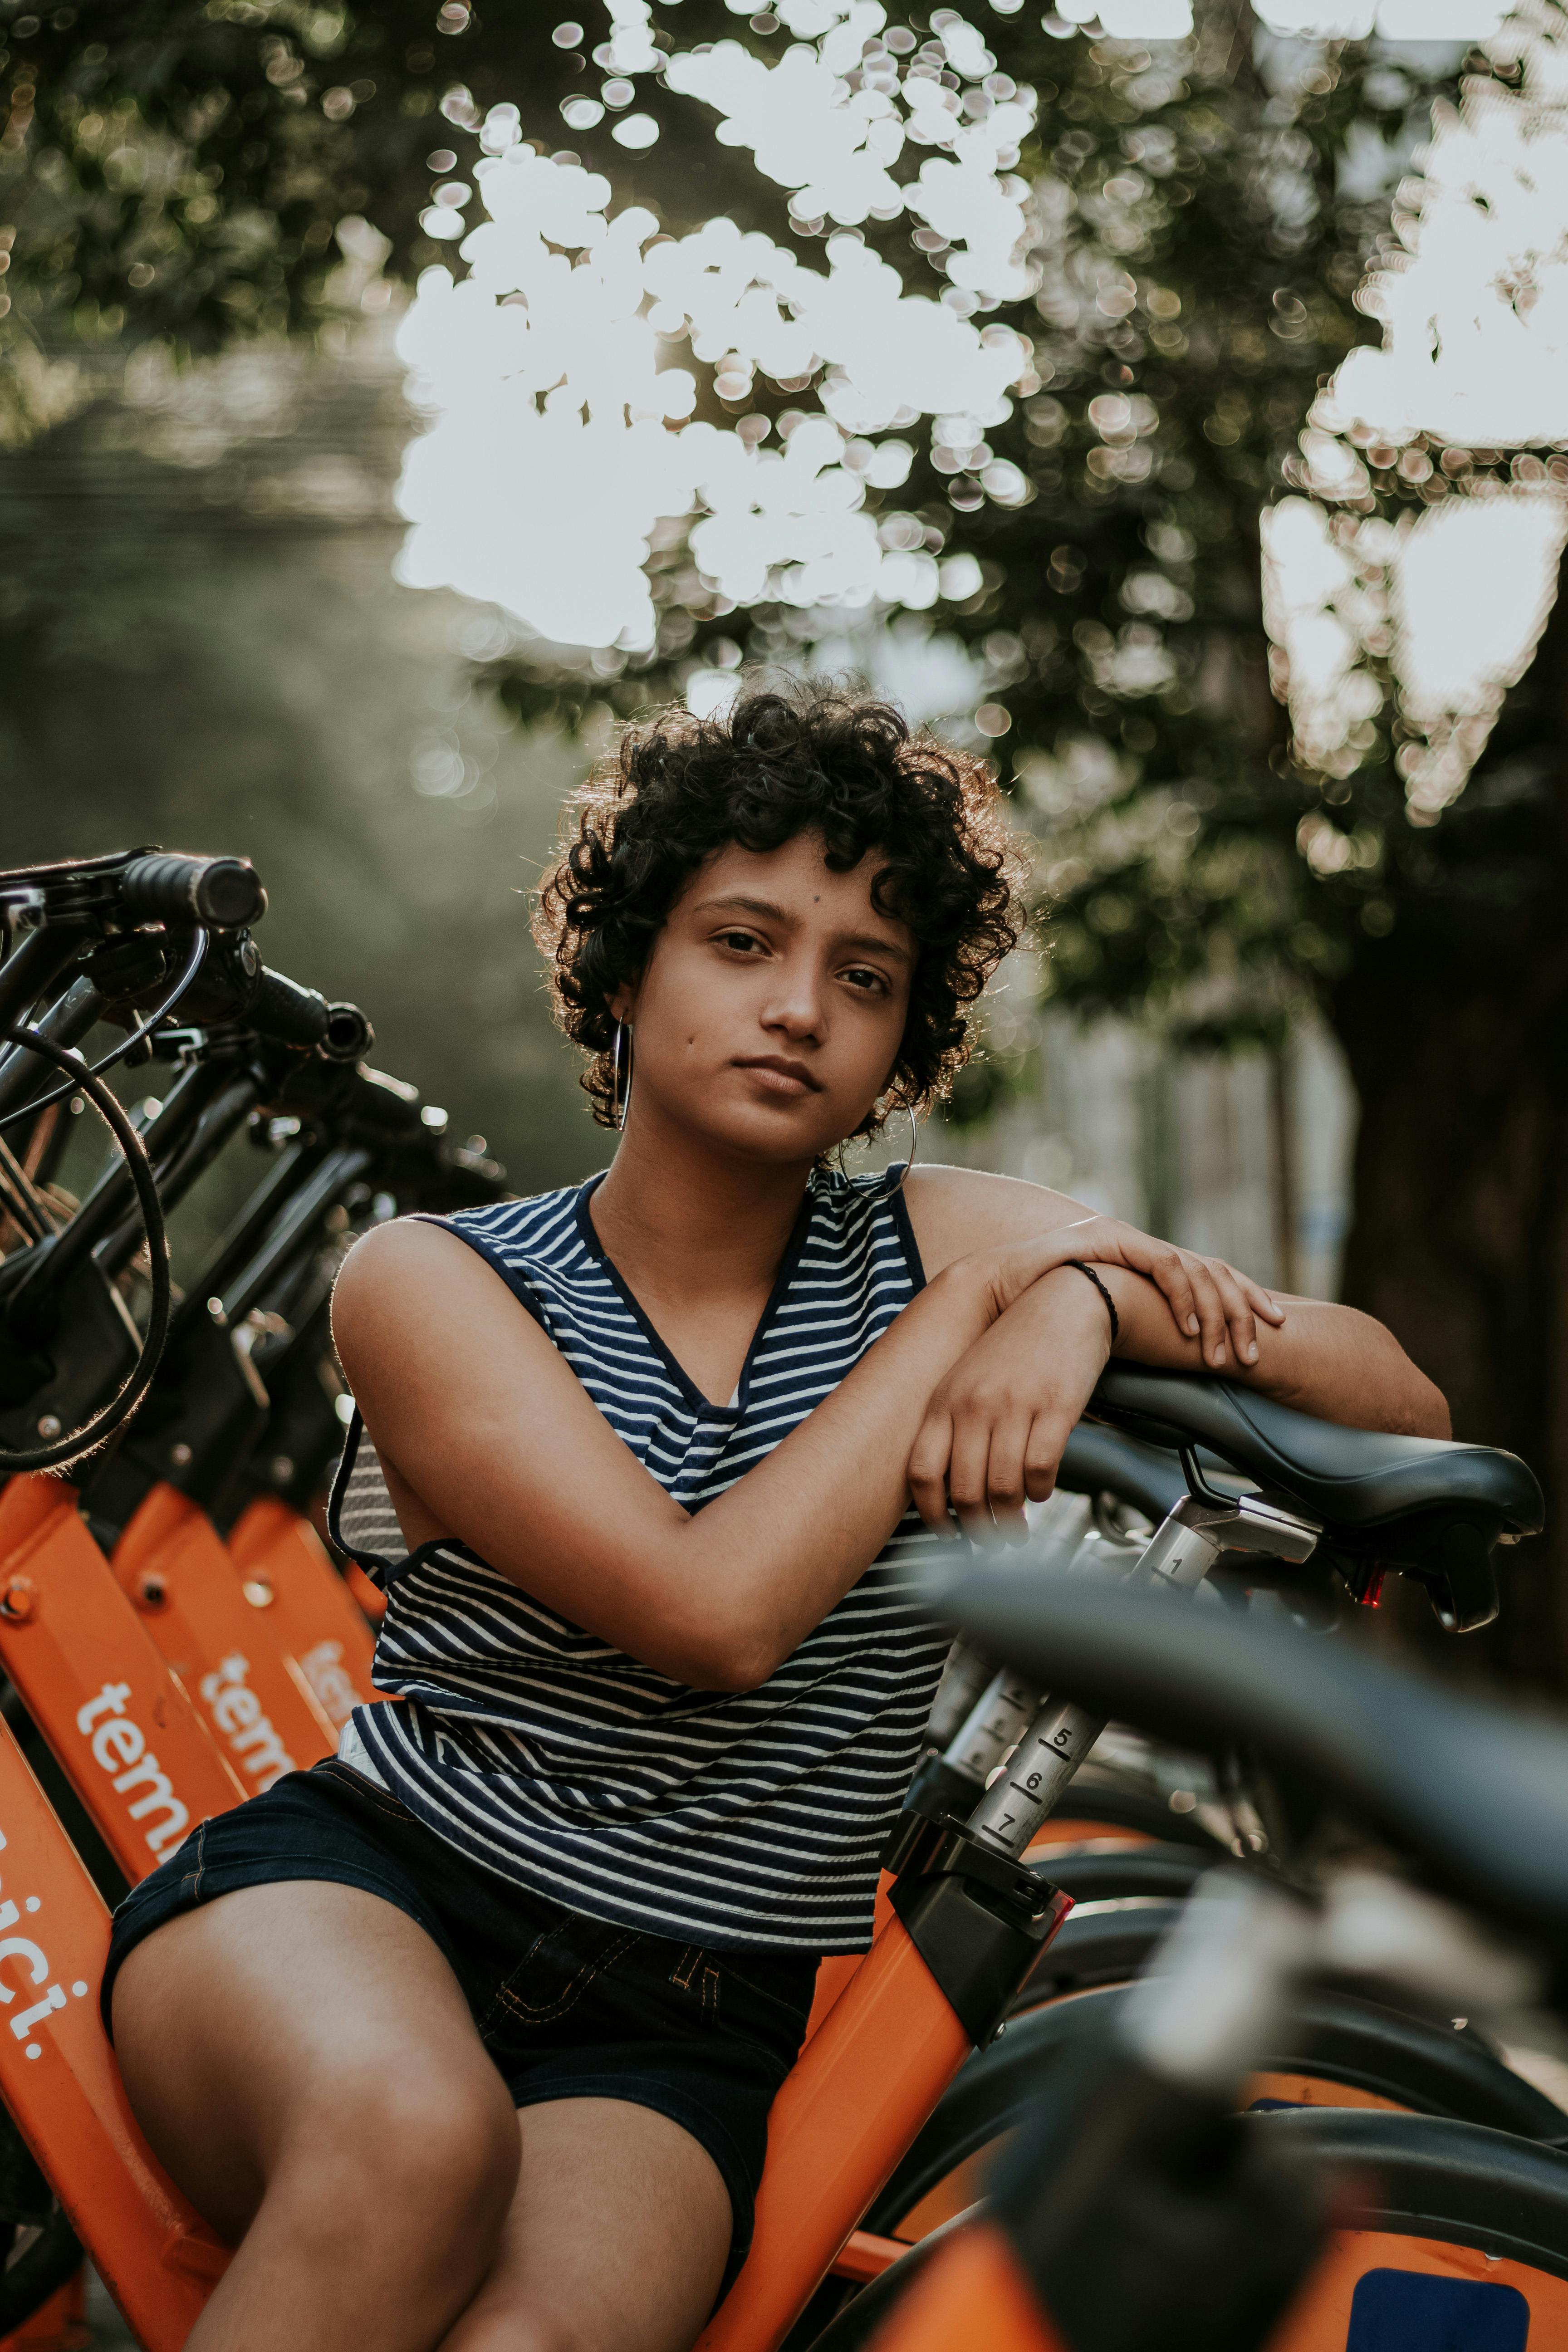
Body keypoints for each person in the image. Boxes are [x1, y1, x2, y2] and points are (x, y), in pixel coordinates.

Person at [103, 684, 1447, 2352]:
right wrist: (975, 1314)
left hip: (681, 2030)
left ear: (903, 1042)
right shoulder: (440, 1283)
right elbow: (714, 1614)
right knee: (413, 2141)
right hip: (364, 1894)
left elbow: (1390, 1392)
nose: (800, 1009)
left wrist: (1083, 1309)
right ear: (628, 966)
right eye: (742, 942)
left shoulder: (944, 1240)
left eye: (864, 978)